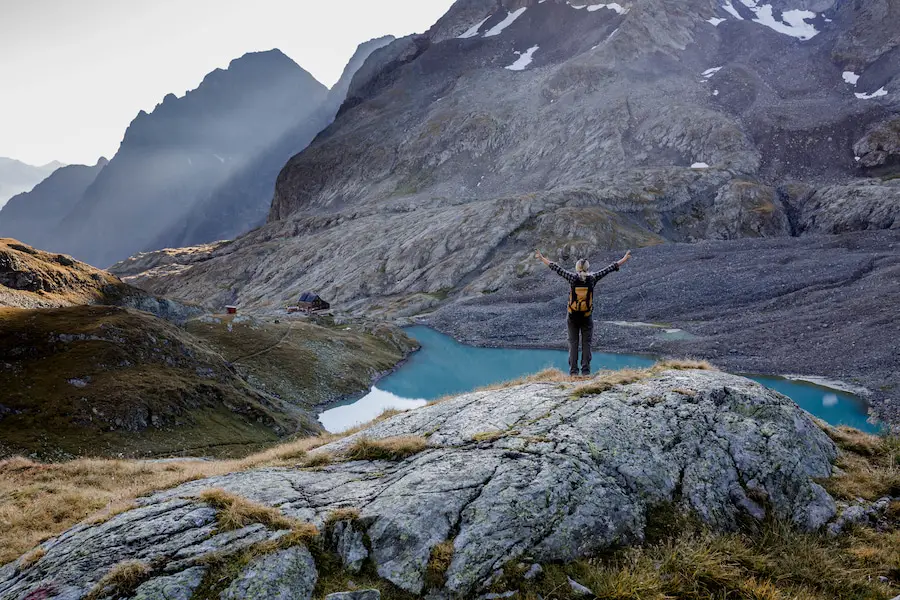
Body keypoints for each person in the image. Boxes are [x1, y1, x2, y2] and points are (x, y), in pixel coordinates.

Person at [535, 249, 632, 376]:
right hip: (587, 316)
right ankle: (586, 372)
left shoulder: (572, 278)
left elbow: (556, 268)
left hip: (572, 316)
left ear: (577, 268)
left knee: (573, 343)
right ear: (587, 268)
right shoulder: (592, 278)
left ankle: (574, 373)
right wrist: (624, 259)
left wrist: (542, 258)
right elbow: (610, 268)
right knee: (586, 343)